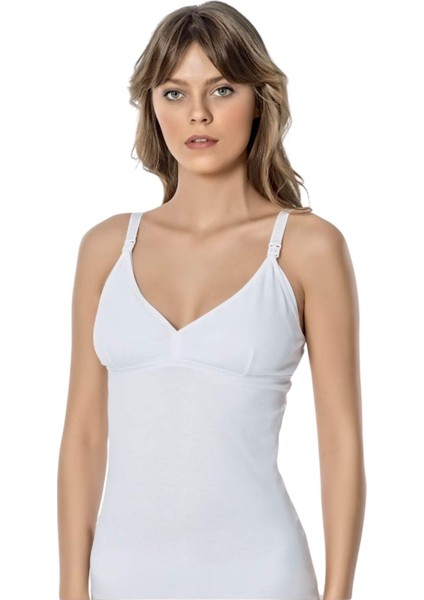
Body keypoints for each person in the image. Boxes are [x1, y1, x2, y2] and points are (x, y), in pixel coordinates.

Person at [57, 2, 366, 599]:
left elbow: (340, 441)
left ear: (259, 99)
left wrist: (339, 596)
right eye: (174, 93)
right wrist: (72, 587)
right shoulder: (106, 247)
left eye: (222, 89)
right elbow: (84, 434)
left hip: (263, 578)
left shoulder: (307, 247)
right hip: (121, 580)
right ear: (152, 106)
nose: (198, 113)